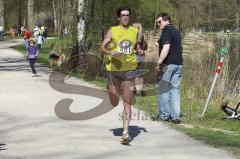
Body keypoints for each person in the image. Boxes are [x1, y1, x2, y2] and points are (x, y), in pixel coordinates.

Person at [100, 6, 141, 144]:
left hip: (130, 70)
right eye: (123, 15)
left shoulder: (135, 31)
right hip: (114, 70)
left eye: (127, 15)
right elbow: (102, 47)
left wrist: (139, 51)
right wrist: (112, 53)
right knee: (114, 101)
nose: (125, 17)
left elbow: (137, 47)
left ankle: (125, 132)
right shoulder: (113, 30)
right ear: (118, 17)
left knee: (127, 102)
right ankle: (112, 89)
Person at [153, 13, 183, 124]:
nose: (158, 24)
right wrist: (158, 43)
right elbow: (175, 45)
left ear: (166, 21)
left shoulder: (166, 31)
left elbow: (166, 48)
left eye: (159, 22)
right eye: (157, 22)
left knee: (162, 89)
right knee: (175, 90)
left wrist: (158, 63)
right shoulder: (176, 31)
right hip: (179, 64)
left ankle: (164, 115)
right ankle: (176, 116)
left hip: (168, 65)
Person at [133, 22, 148, 96]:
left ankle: (137, 91)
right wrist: (143, 52)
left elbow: (136, 48)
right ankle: (140, 91)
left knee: (136, 75)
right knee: (140, 75)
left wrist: (137, 51)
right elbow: (146, 47)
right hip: (142, 57)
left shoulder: (134, 37)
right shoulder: (142, 37)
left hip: (135, 57)